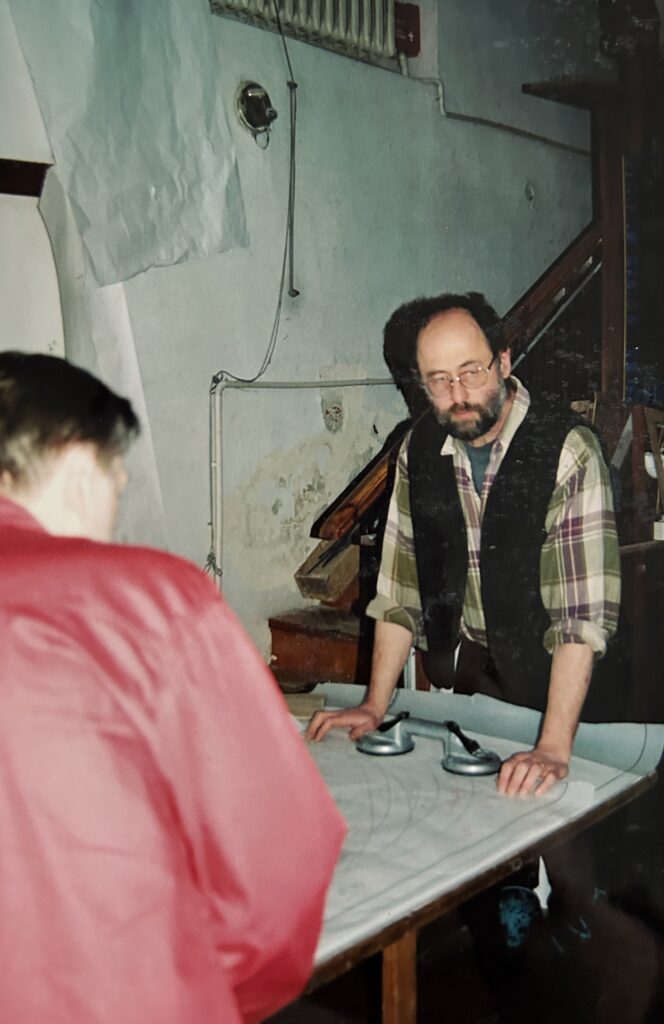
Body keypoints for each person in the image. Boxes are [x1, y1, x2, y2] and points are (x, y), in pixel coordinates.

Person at [0, 351, 346, 1024]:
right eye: (116, 476)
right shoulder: (149, 597)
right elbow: (278, 872)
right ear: (77, 463)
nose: (117, 496)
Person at [307, 291, 622, 798]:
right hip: (477, 684)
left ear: (504, 362)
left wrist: (553, 746)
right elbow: (398, 593)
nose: (458, 394)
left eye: (471, 371)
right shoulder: (418, 448)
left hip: (562, 692)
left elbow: (579, 620)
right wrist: (374, 705)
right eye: (438, 379)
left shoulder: (567, 451)